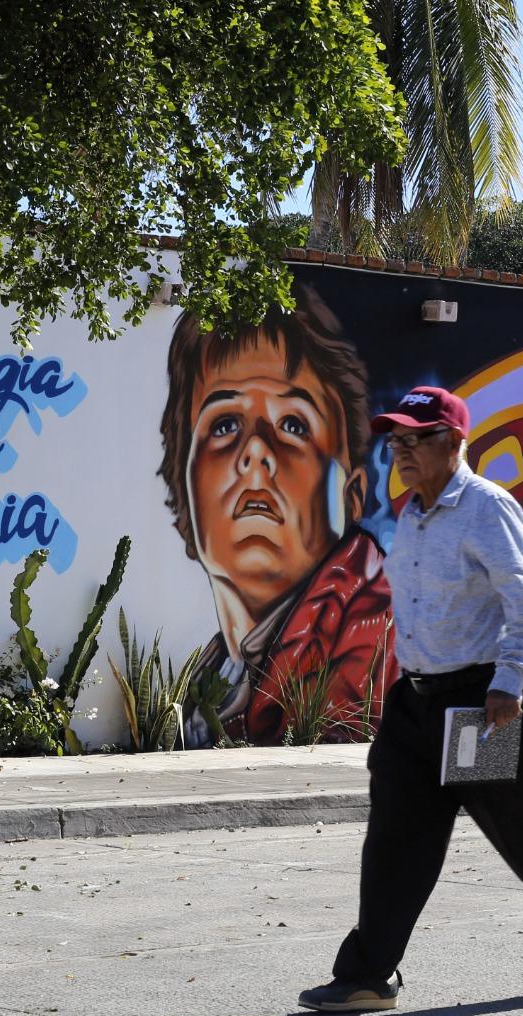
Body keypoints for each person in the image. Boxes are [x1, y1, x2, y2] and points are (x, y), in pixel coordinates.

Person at [298, 385, 523, 1011]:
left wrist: (508, 683)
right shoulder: (413, 514)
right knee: (396, 837)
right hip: (418, 702)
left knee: (520, 830)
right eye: (395, 443)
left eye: (413, 441)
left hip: (481, 701)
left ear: (453, 442)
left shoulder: (485, 509)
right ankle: (370, 973)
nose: (401, 454)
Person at [158, 285, 397, 747]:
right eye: (225, 424)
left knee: (505, 799)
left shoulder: (371, 638)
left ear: (352, 498)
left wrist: (507, 688)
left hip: (499, 714)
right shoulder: (216, 672)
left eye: (293, 425)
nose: (254, 454)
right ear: (183, 491)